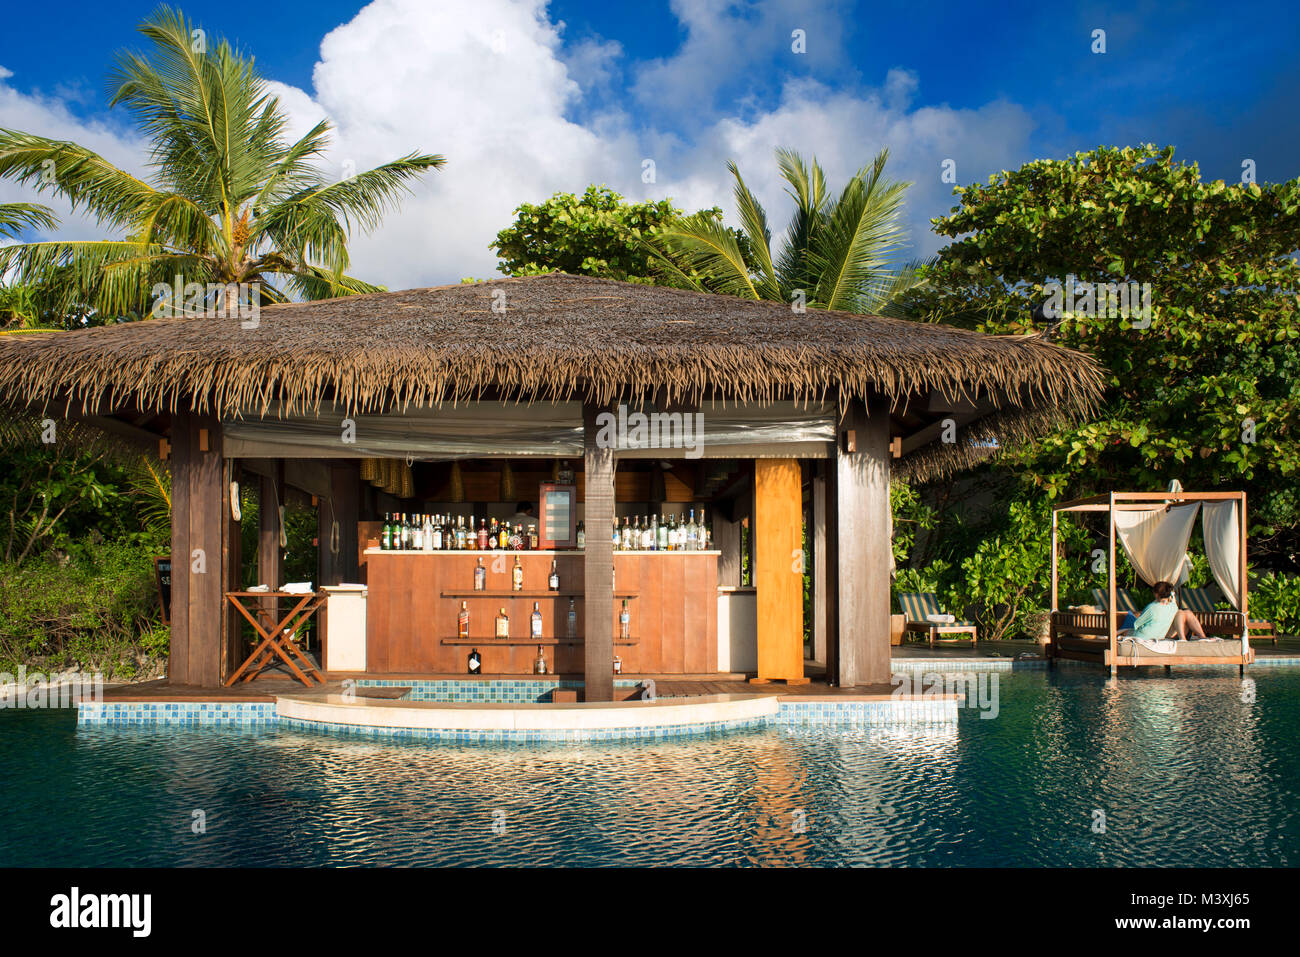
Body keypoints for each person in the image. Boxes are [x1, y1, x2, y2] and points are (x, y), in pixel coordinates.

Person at [1122, 581, 1213, 641]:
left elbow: (1136, 624)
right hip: (1169, 633)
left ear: (1156, 594)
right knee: (1186, 612)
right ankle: (1202, 637)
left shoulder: (1152, 607)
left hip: (1152, 636)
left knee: (1127, 631)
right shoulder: (1173, 607)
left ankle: (1184, 639)